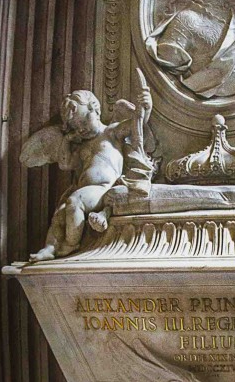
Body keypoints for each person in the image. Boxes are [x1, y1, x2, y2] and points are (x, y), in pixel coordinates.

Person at [24, 88, 152, 262]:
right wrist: (67, 141)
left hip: (103, 189)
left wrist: (146, 106)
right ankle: (50, 248)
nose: (82, 130)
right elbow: (65, 164)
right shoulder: (81, 147)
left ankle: (71, 244)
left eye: (84, 123)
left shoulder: (112, 132)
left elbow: (137, 124)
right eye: (76, 127)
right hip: (85, 189)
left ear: (95, 109)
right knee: (59, 216)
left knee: (74, 201)